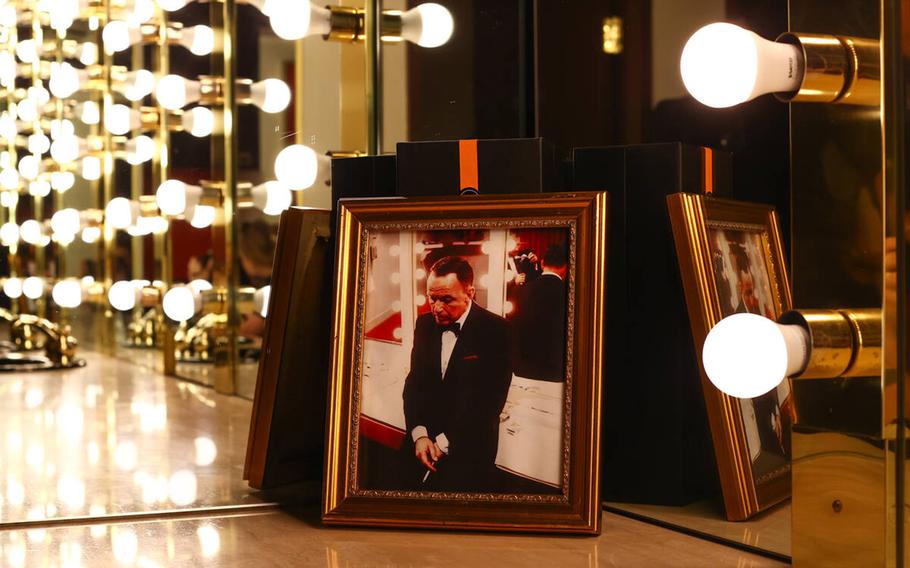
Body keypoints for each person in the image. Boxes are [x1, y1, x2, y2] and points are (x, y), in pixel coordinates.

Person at [402, 256, 513, 492]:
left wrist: (442, 444)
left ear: (470, 293)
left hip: (470, 447)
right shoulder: (424, 324)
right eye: (432, 298)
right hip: (423, 442)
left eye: (446, 299)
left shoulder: (497, 330)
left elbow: (488, 403)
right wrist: (419, 434)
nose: (437, 307)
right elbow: (415, 384)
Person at [513, 243, 567, 381]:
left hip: (525, 369)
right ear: (566, 267)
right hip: (556, 369)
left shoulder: (524, 289)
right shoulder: (568, 293)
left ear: (542, 263)